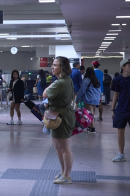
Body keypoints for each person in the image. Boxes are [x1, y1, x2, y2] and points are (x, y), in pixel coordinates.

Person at [43, 56, 75, 184]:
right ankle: (63, 172)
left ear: (62, 68)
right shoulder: (65, 80)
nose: (52, 67)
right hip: (57, 115)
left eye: (55, 65)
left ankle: (67, 175)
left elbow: (45, 93)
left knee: (65, 148)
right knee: (57, 146)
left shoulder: (60, 82)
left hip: (62, 117)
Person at [75, 67, 101, 133]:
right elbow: (99, 91)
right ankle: (90, 127)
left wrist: (77, 99)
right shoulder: (96, 80)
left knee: (90, 114)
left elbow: (82, 90)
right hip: (95, 99)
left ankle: (92, 128)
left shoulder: (86, 80)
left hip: (88, 99)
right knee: (92, 113)